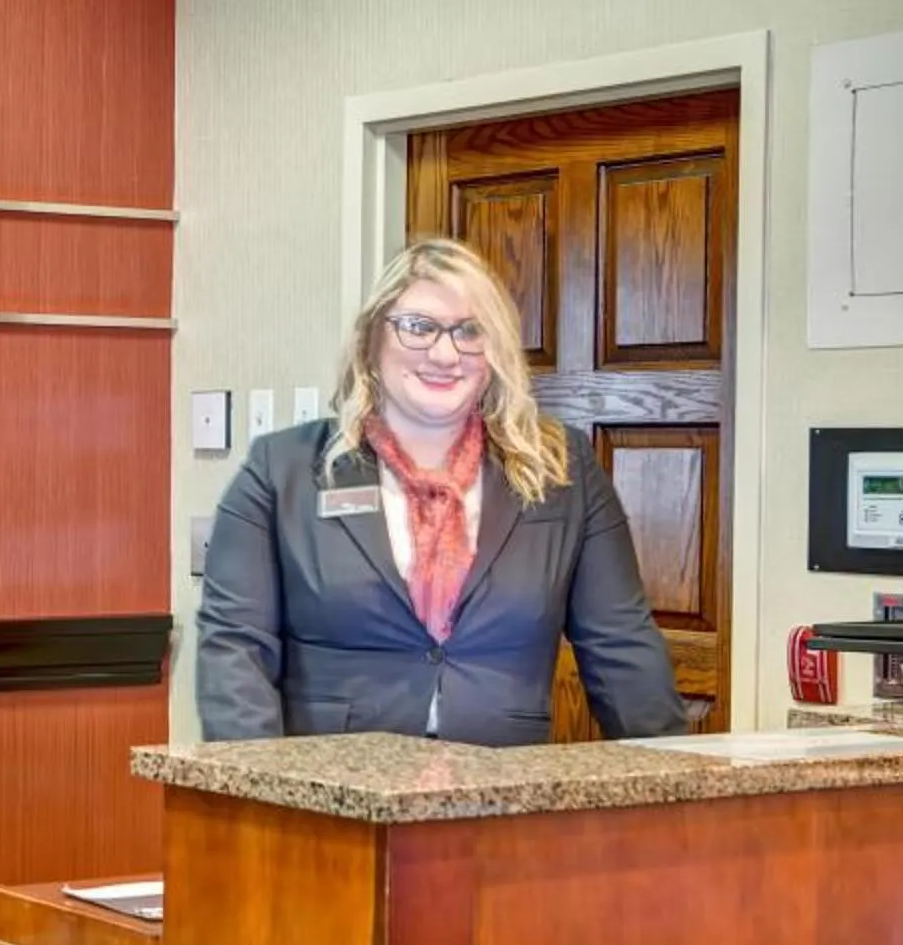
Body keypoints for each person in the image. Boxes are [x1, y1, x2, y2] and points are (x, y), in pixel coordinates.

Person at [195, 237, 686, 745]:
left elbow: (621, 645)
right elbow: (236, 648)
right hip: (333, 799)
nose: (445, 352)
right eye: (418, 327)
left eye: (470, 331)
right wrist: (258, 794)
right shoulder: (282, 471)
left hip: (500, 791)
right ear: (371, 339)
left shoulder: (561, 470)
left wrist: (676, 788)